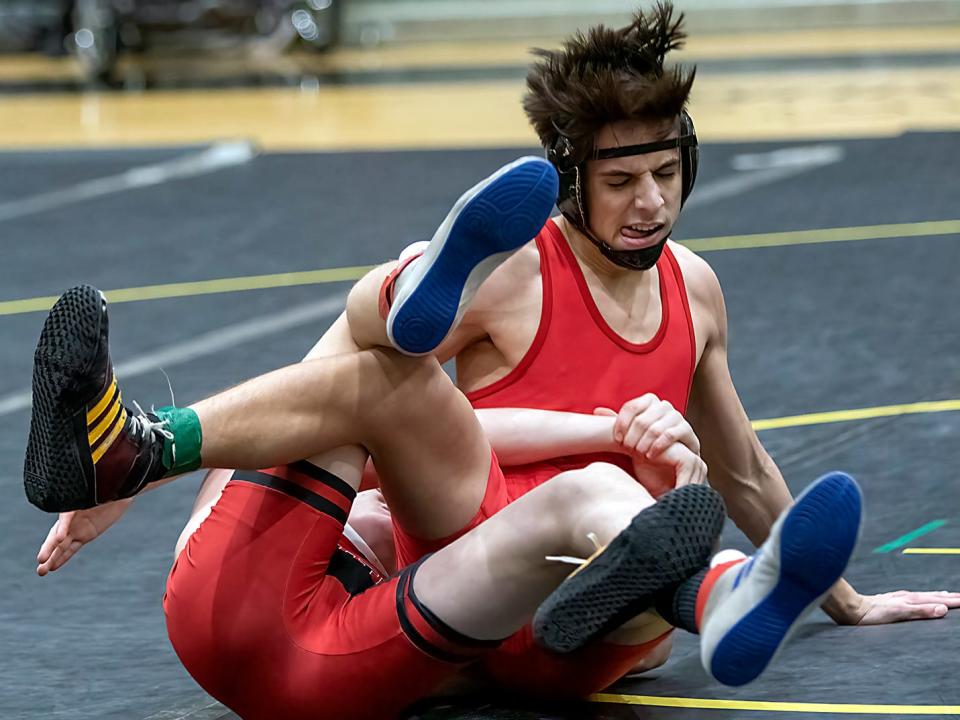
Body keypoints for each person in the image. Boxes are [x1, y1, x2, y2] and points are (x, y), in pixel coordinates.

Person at [337, 2, 959, 627]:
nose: (652, 202)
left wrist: (847, 601)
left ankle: (691, 595)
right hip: (486, 579)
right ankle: (398, 286)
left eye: (666, 171)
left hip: (610, 597)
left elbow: (741, 469)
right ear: (570, 183)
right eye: (620, 182)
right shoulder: (511, 274)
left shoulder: (692, 286)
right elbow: (366, 414)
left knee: (673, 506)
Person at [30, 281, 864, 719]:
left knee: (567, 487)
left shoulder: (441, 474)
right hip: (338, 660)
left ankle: (718, 591)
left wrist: (618, 445)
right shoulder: (434, 451)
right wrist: (609, 429)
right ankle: (704, 590)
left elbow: (403, 414)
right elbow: (444, 419)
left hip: (272, 620)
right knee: (378, 376)